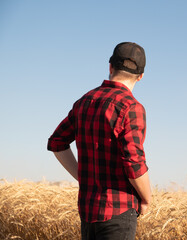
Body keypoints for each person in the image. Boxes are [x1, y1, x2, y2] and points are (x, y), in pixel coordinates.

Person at [47, 42, 151, 240]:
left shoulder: (84, 102)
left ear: (110, 67)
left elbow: (56, 143)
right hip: (119, 213)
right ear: (141, 76)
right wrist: (146, 199)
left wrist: (82, 176)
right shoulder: (132, 108)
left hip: (87, 211)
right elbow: (134, 163)